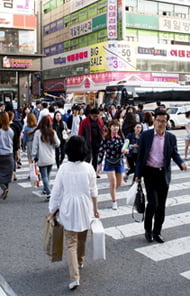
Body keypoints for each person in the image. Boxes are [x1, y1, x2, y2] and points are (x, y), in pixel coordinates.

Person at [48, 136, 99, 291]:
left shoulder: (64, 168)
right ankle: (81, 260)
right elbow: (93, 191)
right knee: (82, 237)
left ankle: (74, 277)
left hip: (68, 206)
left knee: (71, 242)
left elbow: (57, 191)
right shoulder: (89, 168)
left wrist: (52, 209)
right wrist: (96, 209)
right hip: (85, 206)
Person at [135, 109, 187, 244]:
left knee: (161, 206)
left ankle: (157, 232)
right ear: (154, 121)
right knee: (152, 203)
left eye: (163, 121)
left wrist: (181, 162)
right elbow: (140, 157)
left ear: (167, 122)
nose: (160, 123)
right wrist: (138, 175)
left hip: (163, 174)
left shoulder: (171, 137)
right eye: (158, 121)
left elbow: (174, 153)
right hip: (149, 173)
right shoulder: (146, 135)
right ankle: (148, 230)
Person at [97, 120, 128, 210]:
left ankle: (112, 189)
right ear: (109, 127)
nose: (115, 128)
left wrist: (125, 151)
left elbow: (124, 149)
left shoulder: (121, 137)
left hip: (119, 162)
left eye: (117, 126)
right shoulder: (106, 138)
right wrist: (99, 165)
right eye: (113, 126)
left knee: (118, 183)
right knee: (113, 182)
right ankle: (114, 201)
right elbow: (101, 151)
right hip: (109, 162)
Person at [0, 112, 17, 200]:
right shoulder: (12, 129)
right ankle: (6, 189)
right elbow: (15, 143)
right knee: (7, 173)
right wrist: (16, 153)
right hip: (9, 154)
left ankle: (4, 188)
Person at [32, 116, 60, 199]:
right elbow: (58, 143)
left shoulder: (38, 133)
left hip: (41, 157)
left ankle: (48, 192)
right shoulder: (52, 132)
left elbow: (35, 146)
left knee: (44, 175)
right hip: (51, 157)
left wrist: (33, 156)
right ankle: (45, 189)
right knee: (47, 175)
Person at [78, 107, 105, 175]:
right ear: (90, 115)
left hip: (97, 142)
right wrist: (81, 142)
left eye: (97, 116)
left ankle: (93, 171)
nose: (95, 118)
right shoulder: (85, 121)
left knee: (95, 158)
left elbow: (102, 130)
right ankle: (86, 172)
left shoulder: (100, 120)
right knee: (88, 158)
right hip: (87, 142)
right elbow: (80, 132)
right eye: (94, 116)